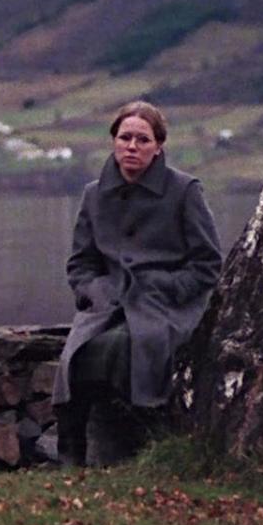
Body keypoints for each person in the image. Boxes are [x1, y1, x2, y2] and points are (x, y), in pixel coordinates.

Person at [52, 101, 222, 466]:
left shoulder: (185, 190)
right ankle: (71, 456)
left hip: (165, 307)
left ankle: (143, 449)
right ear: (113, 141)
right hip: (106, 306)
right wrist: (94, 292)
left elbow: (207, 265)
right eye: (125, 137)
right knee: (76, 357)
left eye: (142, 140)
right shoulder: (93, 194)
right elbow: (80, 264)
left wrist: (163, 288)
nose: (132, 146)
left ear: (158, 147)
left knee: (127, 348)